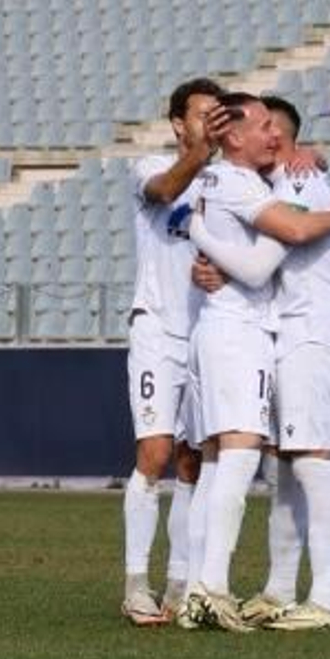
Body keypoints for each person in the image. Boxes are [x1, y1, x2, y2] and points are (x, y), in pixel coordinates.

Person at [181, 92, 330, 632]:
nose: (271, 137)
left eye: (275, 129)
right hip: (282, 334)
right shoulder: (269, 184)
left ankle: (325, 597)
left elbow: (285, 241)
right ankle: (279, 589)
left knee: (309, 461)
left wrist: (204, 236)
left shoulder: (298, 183)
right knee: (282, 465)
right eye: (263, 128)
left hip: (311, 334)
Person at [119, 76, 228, 625]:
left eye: (218, 113)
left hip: (208, 332)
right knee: (156, 454)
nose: (210, 120)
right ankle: (136, 581)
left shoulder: (229, 182)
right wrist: (202, 155)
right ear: (178, 123)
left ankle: (180, 584)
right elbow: (163, 193)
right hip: (158, 329)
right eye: (201, 113)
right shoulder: (149, 168)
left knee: (193, 462)